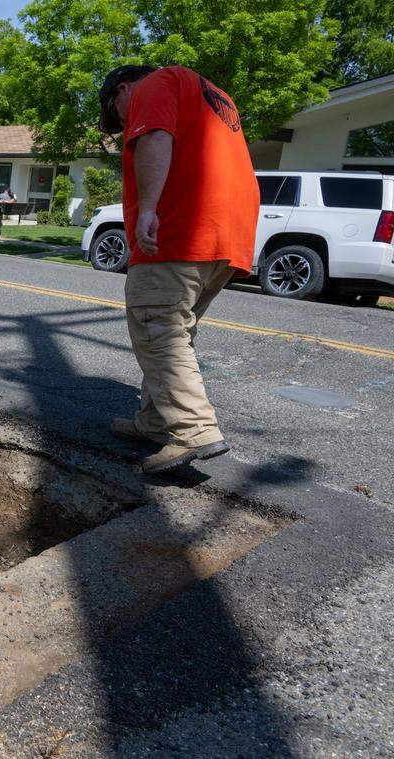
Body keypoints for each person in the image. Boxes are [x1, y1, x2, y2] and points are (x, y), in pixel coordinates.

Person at [97, 65, 259, 474]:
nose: (123, 123)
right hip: (226, 232)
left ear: (122, 89)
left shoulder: (155, 84)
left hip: (182, 228)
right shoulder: (211, 94)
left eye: (117, 114)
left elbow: (155, 136)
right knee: (174, 327)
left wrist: (147, 209)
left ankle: (193, 430)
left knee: (157, 326)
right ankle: (154, 420)